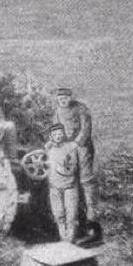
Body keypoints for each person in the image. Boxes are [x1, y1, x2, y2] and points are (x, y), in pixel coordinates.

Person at [52, 87, 101, 242]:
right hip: (68, 150)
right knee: (70, 182)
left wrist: (76, 143)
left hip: (83, 148)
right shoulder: (58, 111)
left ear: (70, 97)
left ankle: (91, 223)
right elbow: (56, 131)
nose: (63, 101)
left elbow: (86, 128)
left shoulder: (80, 108)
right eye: (60, 98)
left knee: (86, 181)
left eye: (65, 98)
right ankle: (74, 223)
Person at [45, 124, 81, 242]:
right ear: (51, 136)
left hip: (70, 186)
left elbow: (72, 167)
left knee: (71, 215)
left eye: (60, 134)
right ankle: (63, 239)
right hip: (54, 187)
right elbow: (44, 165)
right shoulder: (49, 149)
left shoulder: (71, 147)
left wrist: (59, 168)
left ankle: (70, 241)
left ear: (64, 134)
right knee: (58, 214)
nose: (58, 136)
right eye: (55, 134)